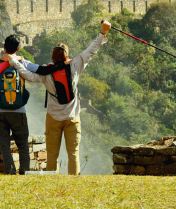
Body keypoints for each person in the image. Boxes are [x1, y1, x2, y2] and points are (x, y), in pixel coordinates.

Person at [7, 19, 111, 175]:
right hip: (72, 117)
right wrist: (103, 32)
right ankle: (73, 183)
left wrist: (14, 61)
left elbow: (28, 74)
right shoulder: (75, 65)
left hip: (53, 118)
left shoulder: (46, 71)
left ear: (52, 57)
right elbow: (91, 50)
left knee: (52, 155)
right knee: (73, 154)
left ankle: (52, 182)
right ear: (66, 55)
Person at [0, 34, 61, 174]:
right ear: (18, 48)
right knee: (23, 145)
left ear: (3, 47)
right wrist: (62, 64)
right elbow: (41, 70)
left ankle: (10, 172)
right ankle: (24, 172)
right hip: (19, 111)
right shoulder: (21, 62)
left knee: (5, 145)